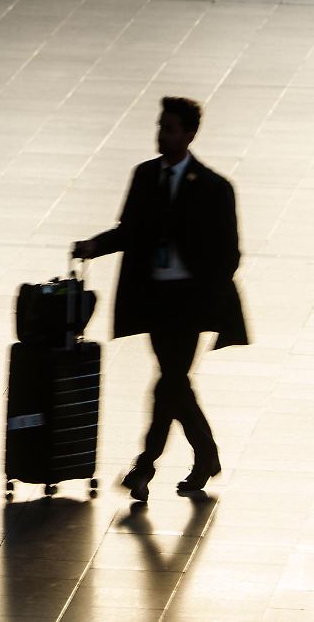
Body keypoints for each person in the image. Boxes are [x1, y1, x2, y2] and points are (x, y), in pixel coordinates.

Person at [73, 96, 247, 502]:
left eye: (169, 128)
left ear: (189, 135)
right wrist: (93, 246)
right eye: (160, 126)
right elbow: (129, 230)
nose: (161, 134)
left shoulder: (214, 188)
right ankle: (205, 455)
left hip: (190, 303)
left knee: (169, 381)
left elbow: (229, 253)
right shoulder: (145, 176)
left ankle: (145, 466)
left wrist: (206, 290)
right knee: (173, 383)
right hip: (155, 298)